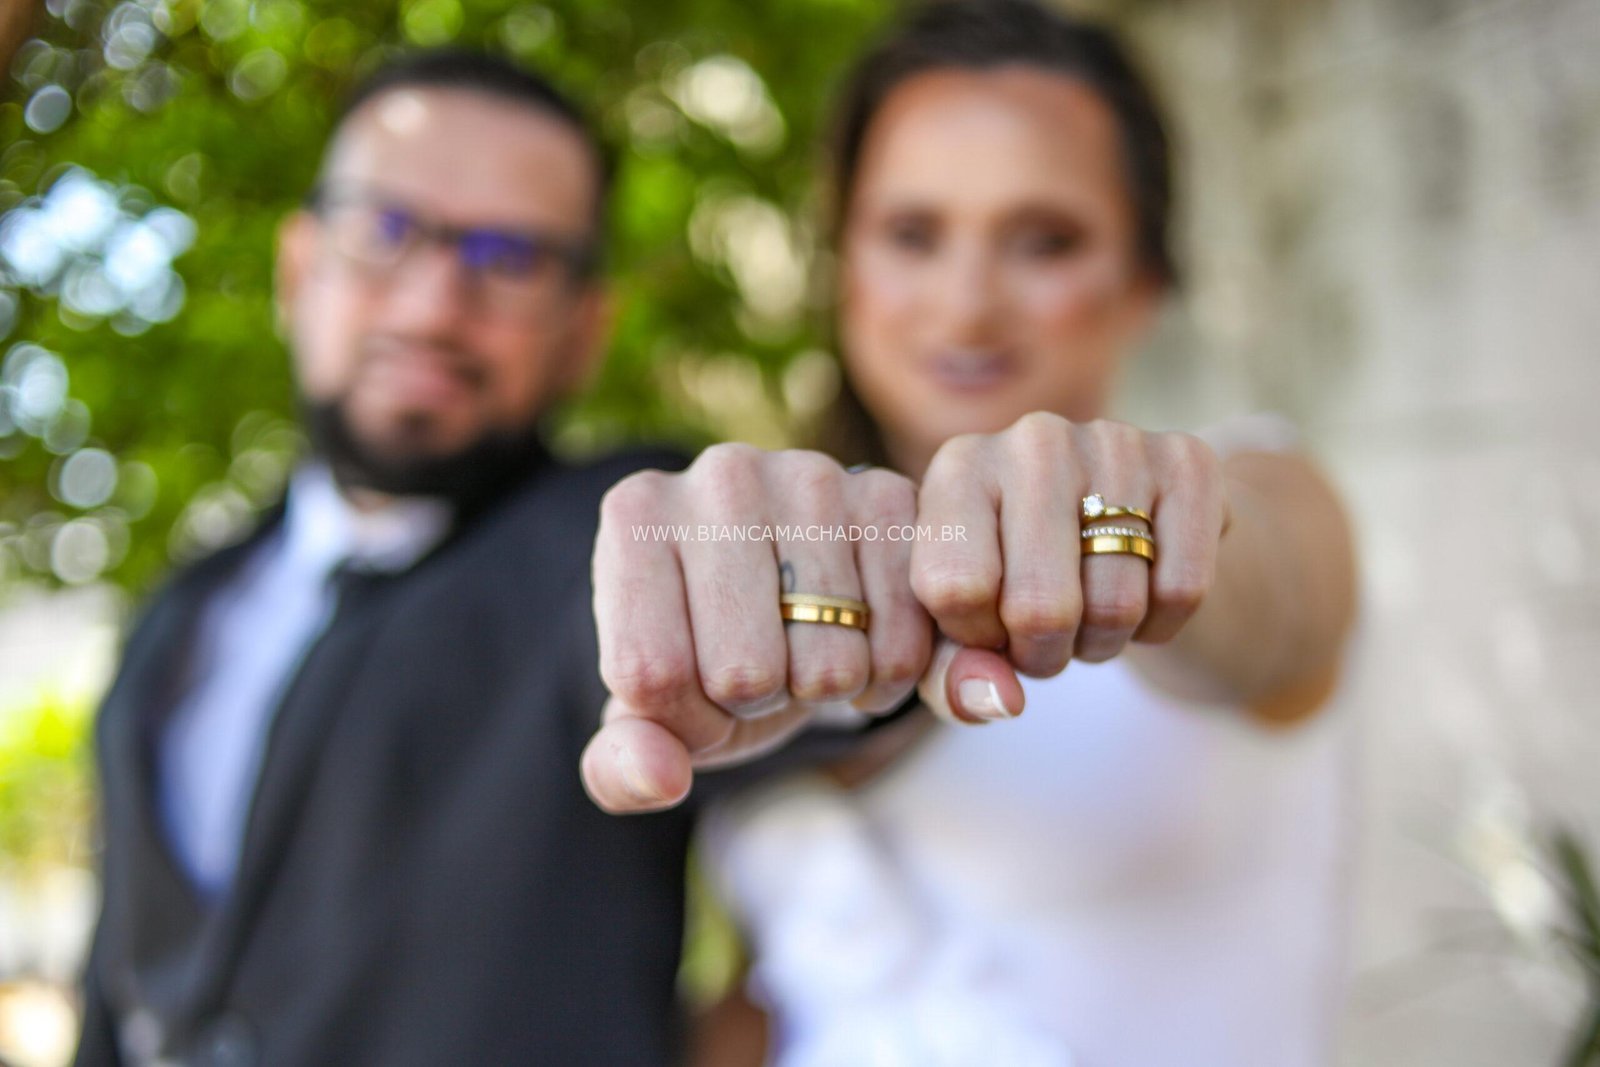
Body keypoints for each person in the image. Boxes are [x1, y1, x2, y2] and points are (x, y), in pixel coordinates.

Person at [582, 2, 1359, 1065]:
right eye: (912, 233)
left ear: (1143, 280)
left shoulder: (1242, 493)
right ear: (843, 264)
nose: (966, 303)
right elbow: (798, 993)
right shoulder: (798, 568)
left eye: (1045, 240)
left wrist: (1152, 532)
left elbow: (1277, 601)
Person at [74, 49, 776, 1067]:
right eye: (386, 230)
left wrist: (887, 575)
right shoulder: (183, 610)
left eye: (510, 256)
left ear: (585, 330)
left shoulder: (611, 539)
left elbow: (777, 631)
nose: (434, 305)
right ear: (298, 269)